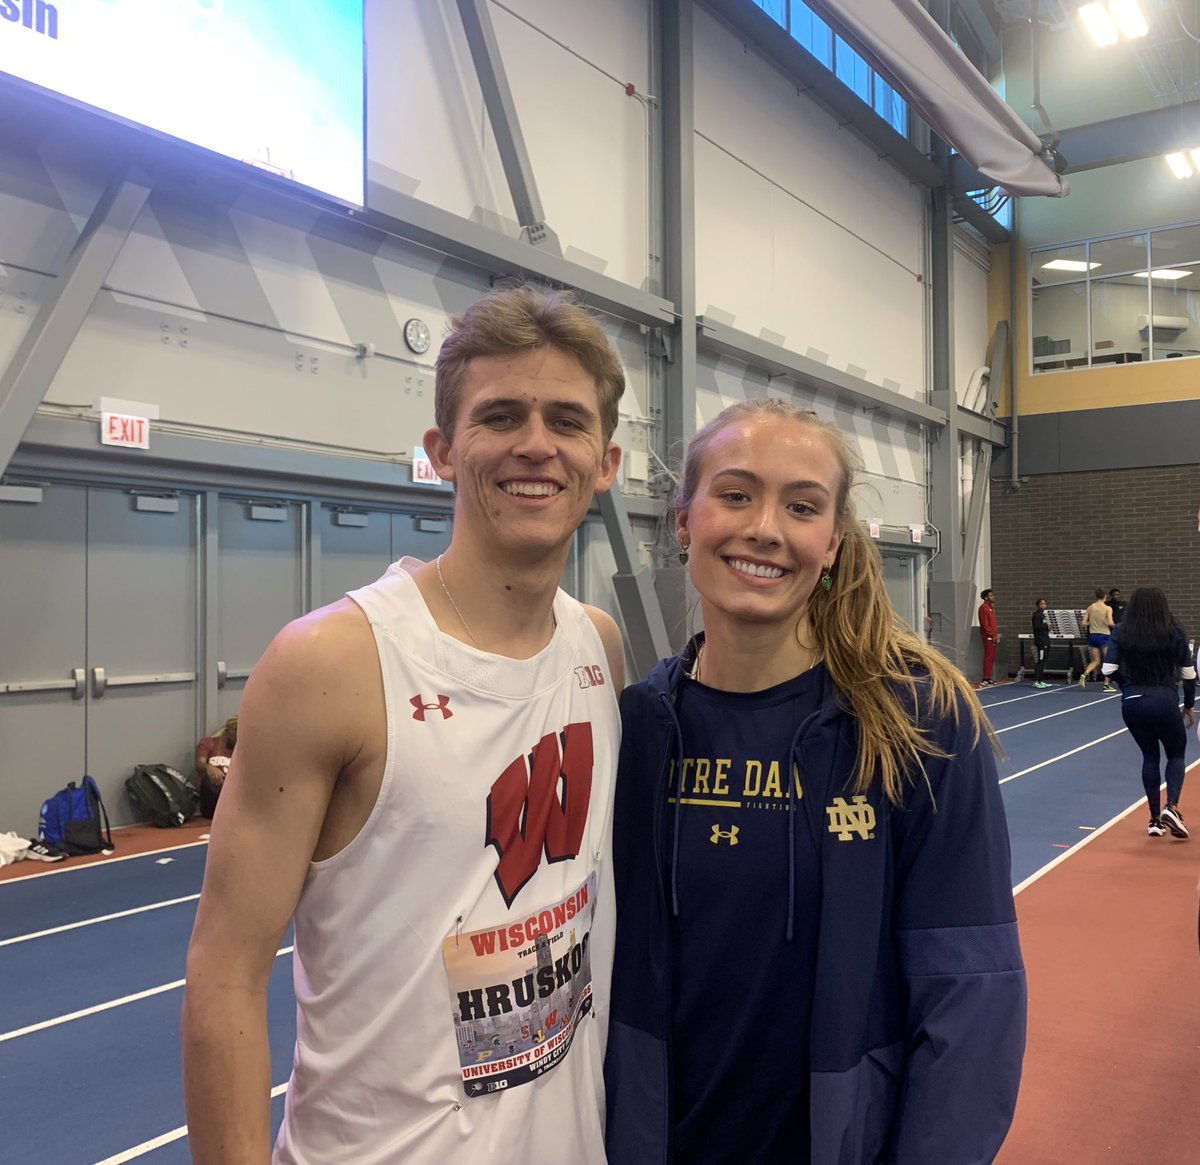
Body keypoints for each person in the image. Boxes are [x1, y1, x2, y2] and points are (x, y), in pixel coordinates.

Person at [181, 285, 627, 1164]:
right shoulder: (332, 664)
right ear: (441, 451)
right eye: (501, 415)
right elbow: (225, 972)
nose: (536, 444)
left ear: (604, 461)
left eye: (566, 421)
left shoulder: (599, 647)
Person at [605, 399, 1025, 1165]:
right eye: (735, 494)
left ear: (830, 543)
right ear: (682, 521)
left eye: (801, 506)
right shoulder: (637, 728)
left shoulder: (917, 723)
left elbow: (972, 997)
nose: (765, 527)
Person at [1102, 586, 1196, 839]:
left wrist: (1127, 687)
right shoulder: (1173, 629)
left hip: (1132, 703)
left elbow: (1108, 668)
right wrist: (1189, 705)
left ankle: (1154, 820)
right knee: (1176, 754)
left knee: (1149, 756)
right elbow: (1188, 674)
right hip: (1164, 700)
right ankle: (1171, 807)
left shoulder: (1122, 630)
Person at [194, 716, 237, 819]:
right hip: (212, 796)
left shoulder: (241, 750)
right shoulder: (209, 743)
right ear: (231, 732)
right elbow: (199, 764)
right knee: (210, 779)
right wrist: (209, 767)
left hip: (231, 795)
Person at [1079, 588, 1115, 690]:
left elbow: (1083, 623)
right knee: (1108, 660)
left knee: (1096, 660)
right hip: (1104, 635)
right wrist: (1118, 627)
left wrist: (1093, 623)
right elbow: (1110, 623)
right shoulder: (1108, 608)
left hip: (1093, 636)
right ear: (1105, 597)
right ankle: (1106, 684)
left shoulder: (1091, 607)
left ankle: (1085, 674)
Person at [979, 587, 998, 686]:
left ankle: (989, 676)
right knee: (988, 656)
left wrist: (995, 634)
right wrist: (991, 634)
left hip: (993, 636)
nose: (993, 597)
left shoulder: (991, 608)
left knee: (992, 657)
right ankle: (985, 678)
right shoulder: (984, 608)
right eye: (991, 595)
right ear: (986, 597)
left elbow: (993, 623)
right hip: (988, 636)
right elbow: (985, 624)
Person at [1031, 597, 1053, 687]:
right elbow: (1037, 627)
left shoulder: (1043, 615)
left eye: (1044, 604)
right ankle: (1036, 681)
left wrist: (1048, 628)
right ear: (1038, 605)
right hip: (1041, 641)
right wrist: (1046, 626)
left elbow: (1044, 628)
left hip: (1045, 639)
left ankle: (1041, 680)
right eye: (1041, 604)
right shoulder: (1037, 615)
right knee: (1041, 660)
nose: (1043, 605)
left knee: (1044, 660)